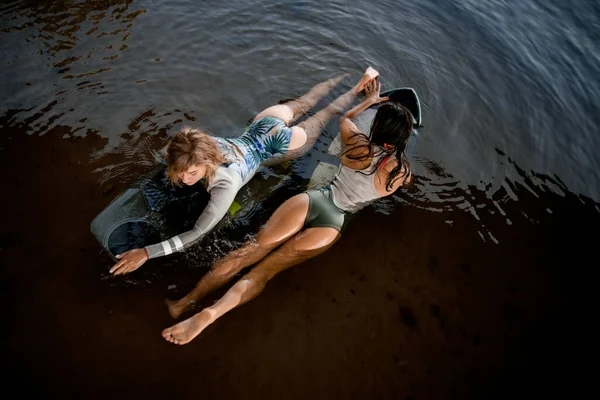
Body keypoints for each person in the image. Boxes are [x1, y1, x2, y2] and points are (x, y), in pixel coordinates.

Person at [162, 78, 414, 345]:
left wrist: (367, 103)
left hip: (313, 200)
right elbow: (406, 183)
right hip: (333, 223)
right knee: (262, 273)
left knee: (249, 250)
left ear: (376, 127)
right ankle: (212, 312)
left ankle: (183, 303)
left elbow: (346, 119)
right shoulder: (401, 173)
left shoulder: (358, 143)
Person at [109, 68, 380, 276]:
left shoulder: (224, 184)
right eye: (180, 173)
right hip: (265, 122)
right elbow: (174, 151)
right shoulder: (195, 142)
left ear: (206, 164)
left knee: (327, 112)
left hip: (283, 144)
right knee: (307, 101)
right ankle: (341, 76)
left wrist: (146, 252)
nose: (184, 179)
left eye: (191, 173)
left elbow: (196, 233)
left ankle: (358, 87)